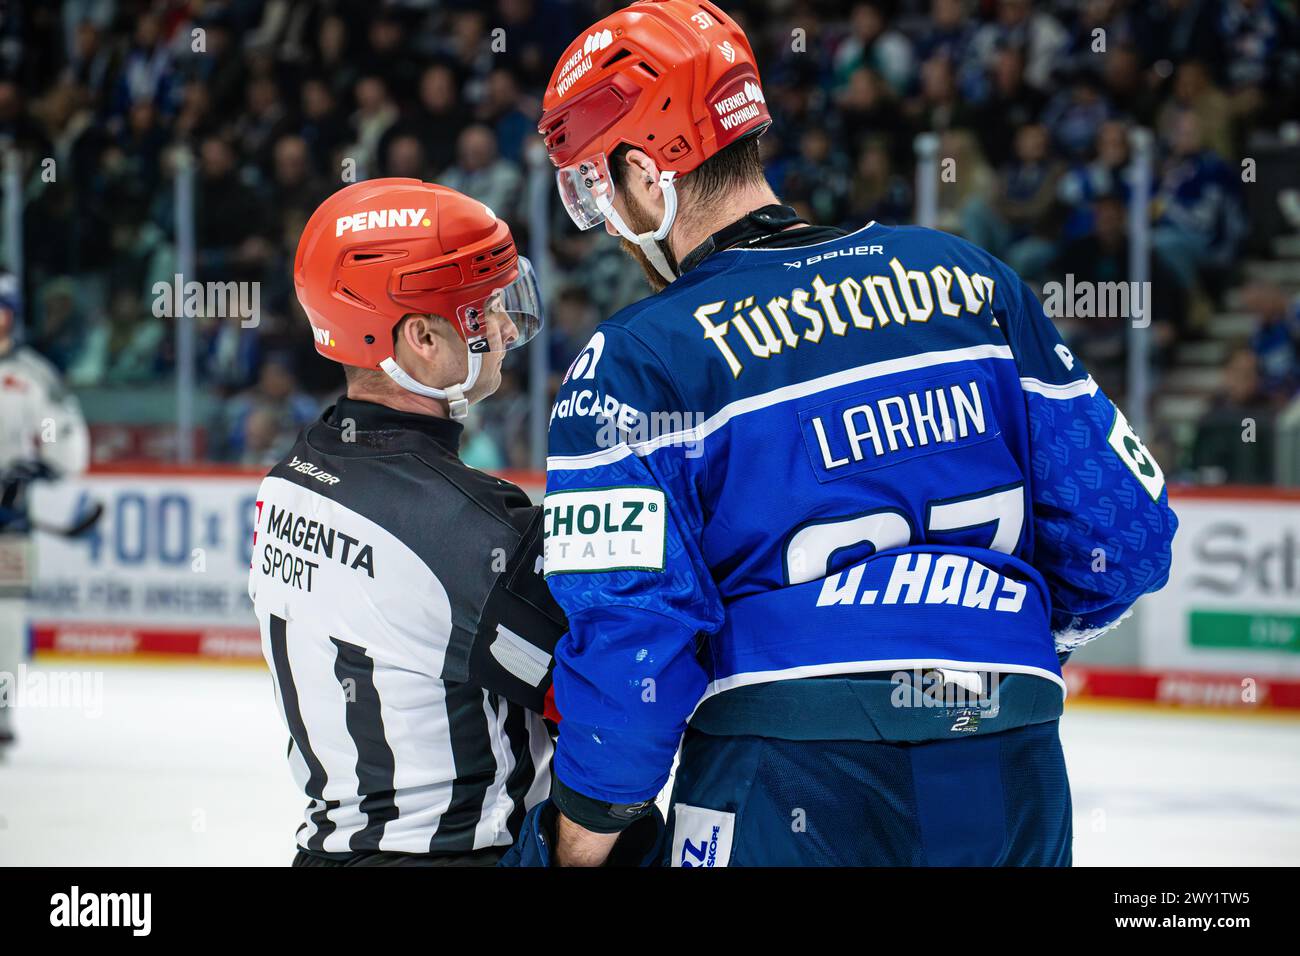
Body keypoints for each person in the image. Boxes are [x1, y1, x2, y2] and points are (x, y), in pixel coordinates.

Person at [511, 0, 1177, 867]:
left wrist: (577, 836)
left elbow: (637, 646)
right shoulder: (971, 282)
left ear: (646, 172)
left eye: (596, 185)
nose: (602, 218)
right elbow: (1125, 540)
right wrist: (978, 622)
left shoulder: (637, 360)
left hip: (789, 774)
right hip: (1008, 755)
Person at [248, 178, 562, 865]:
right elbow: (607, 691)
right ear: (421, 337)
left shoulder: (290, 481)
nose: (506, 328)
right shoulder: (472, 527)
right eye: (483, 311)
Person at [0, 271, 90, 756]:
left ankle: (1, 712)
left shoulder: (32, 375)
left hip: (8, 521)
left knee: (7, 617)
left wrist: (40, 465)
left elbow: (64, 438)